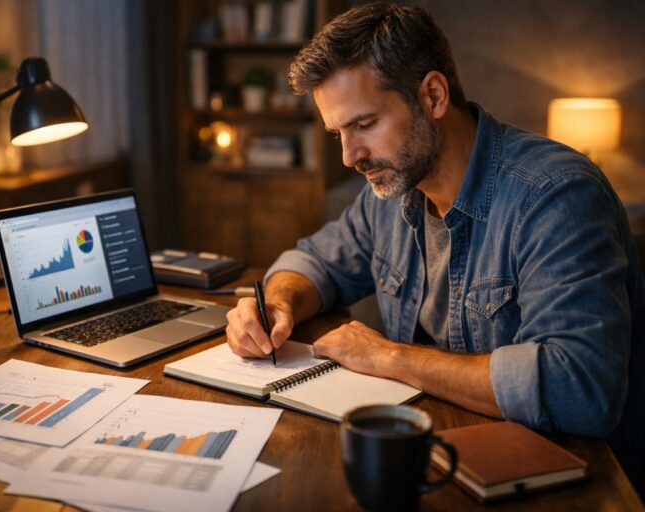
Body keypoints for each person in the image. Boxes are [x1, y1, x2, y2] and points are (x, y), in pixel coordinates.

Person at [225, 2, 644, 495]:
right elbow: (315, 260)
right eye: (338, 133)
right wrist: (276, 302)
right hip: (444, 460)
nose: (349, 156)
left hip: (569, 483)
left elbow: (581, 389)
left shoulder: (556, 197)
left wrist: (390, 357)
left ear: (434, 95)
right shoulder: (392, 188)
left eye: (364, 124)